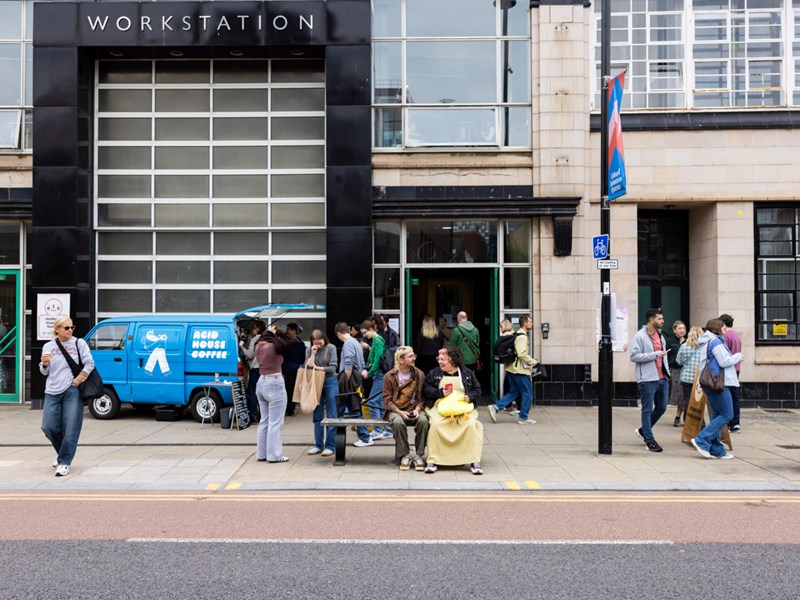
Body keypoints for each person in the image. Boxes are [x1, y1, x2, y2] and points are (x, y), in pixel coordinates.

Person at [39, 316, 95, 477]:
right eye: (66, 328)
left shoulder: (79, 343)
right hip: (51, 391)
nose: (70, 330)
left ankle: (64, 462)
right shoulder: (48, 346)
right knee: (48, 427)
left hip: (72, 390)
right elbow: (44, 372)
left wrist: (79, 380)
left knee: (71, 427)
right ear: (57, 329)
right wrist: (44, 364)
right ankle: (63, 453)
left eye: (72, 327)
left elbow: (90, 363)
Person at [422, 346, 484, 475]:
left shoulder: (467, 373)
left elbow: (477, 390)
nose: (440, 362)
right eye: (439, 359)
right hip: (440, 406)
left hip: (462, 408)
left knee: (471, 425)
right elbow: (426, 390)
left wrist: (470, 397)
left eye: (443, 359)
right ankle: (433, 460)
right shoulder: (434, 373)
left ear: (453, 360)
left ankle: (474, 460)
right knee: (436, 425)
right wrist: (439, 392)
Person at [691, 318, 742, 460]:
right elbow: (724, 361)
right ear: (717, 328)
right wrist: (738, 356)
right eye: (724, 328)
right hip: (718, 383)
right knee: (727, 414)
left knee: (716, 415)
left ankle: (716, 450)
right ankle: (702, 439)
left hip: (710, 383)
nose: (726, 331)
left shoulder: (707, 341)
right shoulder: (716, 342)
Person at [254, 325, 302, 463]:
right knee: (275, 423)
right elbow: (294, 341)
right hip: (275, 382)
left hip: (261, 381)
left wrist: (270, 333)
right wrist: (282, 333)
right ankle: (274, 455)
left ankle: (261, 453)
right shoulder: (274, 346)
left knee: (264, 421)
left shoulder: (258, 346)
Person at [630, 308, 670, 453]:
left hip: (662, 378)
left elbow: (663, 356)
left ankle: (642, 430)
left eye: (662, 318)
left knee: (662, 407)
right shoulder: (639, 336)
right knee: (646, 410)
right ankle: (649, 440)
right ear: (651, 320)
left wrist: (667, 372)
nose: (662, 321)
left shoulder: (661, 336)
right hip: (647, 379)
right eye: (660, 319)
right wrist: (655, 354)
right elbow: (634, 356)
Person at [383, 346, 428, 470]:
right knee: (397, 422)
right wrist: (400, 412)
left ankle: (419, 455)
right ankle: (405, 455)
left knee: (424, 421)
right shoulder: (389, 376)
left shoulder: (419, 374)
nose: (414, 358)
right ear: (401, 360)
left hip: (415, 407)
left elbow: (423, 398)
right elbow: (386, 400)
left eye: (414, 355)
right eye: (411, 356)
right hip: (396, 409)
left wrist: (418, 410)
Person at [487, 314, 538, 425]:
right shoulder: (522, 337)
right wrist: (533, 361)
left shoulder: (516, 334)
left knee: (514, 392)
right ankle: (523, 418)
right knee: (527, 394)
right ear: (525, 323)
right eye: (530, 321)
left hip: (511, 369)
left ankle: (495, 407)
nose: (532, 323)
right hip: (519, 370)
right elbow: (521, 354)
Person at [354, 319, 391, 446]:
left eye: (365, 332)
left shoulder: (378, 340)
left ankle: (377, 430)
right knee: (380, 403)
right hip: (379, 374)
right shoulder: (376, 340)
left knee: (372, 402)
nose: (364, 335)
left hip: (379, 375)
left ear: (371, 329)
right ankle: (387, 429)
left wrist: (369, 373)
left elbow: (377, 361)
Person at [305, 330, 339, 458]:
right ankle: (318, 445)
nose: (319, 346)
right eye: (316, 344)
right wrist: (313, 354)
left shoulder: (331, 348)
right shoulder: (309, 349)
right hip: (315, 383)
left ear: (325, 339)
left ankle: (330, 446)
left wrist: (318, 368)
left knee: (332, 414)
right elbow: (307, 366)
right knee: (317, 414)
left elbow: (333, 368)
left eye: (320, 343)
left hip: (330, 381)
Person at [335, 321, 365, 414]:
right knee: (355, 407)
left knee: (349, 407)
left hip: (350, 380)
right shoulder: (356, 342)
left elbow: (348, 363)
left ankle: (340, 428)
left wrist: (345, 381)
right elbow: (362, 363)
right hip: (357, 379)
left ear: (339, 333)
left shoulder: (348, 343)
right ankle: (361, 428)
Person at [719, 314, 742, 432]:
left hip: (728, 369)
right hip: (736, 368)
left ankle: (729, 422)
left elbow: (724, 354)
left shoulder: (726, 336)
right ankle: (736, 422)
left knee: (728, 397)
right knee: (735, 397)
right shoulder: (736, 335)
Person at [239, 320, 265, 422]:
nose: (252, 331)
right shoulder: (266, 338)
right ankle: (262, 415)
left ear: (257, 329)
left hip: (256, 369)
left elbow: (250, 355)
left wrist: (241, 347)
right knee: (262, 393)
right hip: (264, 369)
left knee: (251, 391)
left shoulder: (255, 339)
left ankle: (253, 414)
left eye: (253, 329)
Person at [676, 326, 704, 415]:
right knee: (698, 401)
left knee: (687, 400)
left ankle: (687, 422)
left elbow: (679, 362)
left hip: (686, 378)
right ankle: (698, 422)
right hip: (699, 379)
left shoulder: (684, 346)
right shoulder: (704, 347)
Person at [282, 323, 305, 417]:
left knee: (285, 389)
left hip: (285, 367)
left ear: (293, 330)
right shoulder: (301, 343)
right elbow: (302, 359)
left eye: (289, 329)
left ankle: (285, 408)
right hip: (296, 368)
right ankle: (291, 409)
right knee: (293, 389)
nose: (287, 331)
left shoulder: (286, 342)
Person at [667, 320, 687, 427]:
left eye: (683, 328)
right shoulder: (670, 341)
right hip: (673, 370)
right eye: (680, 328)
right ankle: (679, 418)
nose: (682, 331)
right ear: (675, 330)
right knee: (678, 396)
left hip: (685, 371)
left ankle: (679, 417)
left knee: (683, 396)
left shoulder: (688, 342)